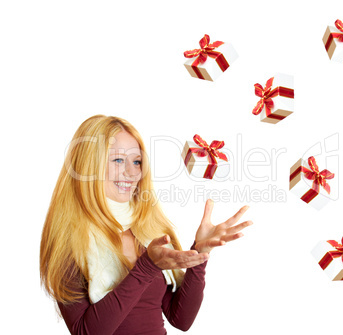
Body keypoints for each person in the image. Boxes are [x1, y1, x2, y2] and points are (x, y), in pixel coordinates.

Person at [40, 115, 252, 335]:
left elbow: (181, 319)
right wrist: (146, 267)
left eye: (137, 161)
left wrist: (200, 254)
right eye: (118, 160)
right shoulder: (68, 239)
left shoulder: (147, 232)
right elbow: (86, 332)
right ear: (88, 166)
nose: (132, 173)